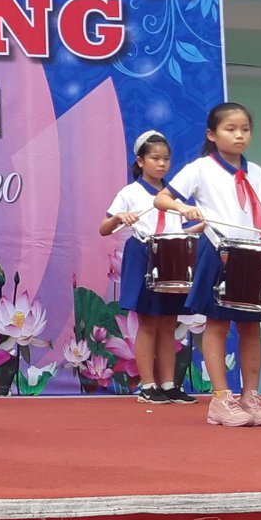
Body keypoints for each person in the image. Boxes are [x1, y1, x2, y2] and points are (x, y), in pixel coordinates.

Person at [156, 102, 261, 427]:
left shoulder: (257, 172)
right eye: (230, 129)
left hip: (253, 253)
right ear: (212, 134)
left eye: (245, 129)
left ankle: (250, 397)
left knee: (251, 326)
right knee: (217, 324)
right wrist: (183, 208)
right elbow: (161, 198)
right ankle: (220, 399)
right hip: (218, 249)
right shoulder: (200, 169)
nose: (239, 135)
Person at [100, 131, 199, 405]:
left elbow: (183, 230)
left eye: (166, 159)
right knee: (148, 322)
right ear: (140, 161)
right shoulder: (129, 192)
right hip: (143, 254)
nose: (162, 164)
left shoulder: (174, 196)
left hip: (173, 257)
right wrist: (120, 217)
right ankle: (147, 385)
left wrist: (201, 223)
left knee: (168, 322)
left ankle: (168, 384)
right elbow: (104, 229)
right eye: (155, 158)